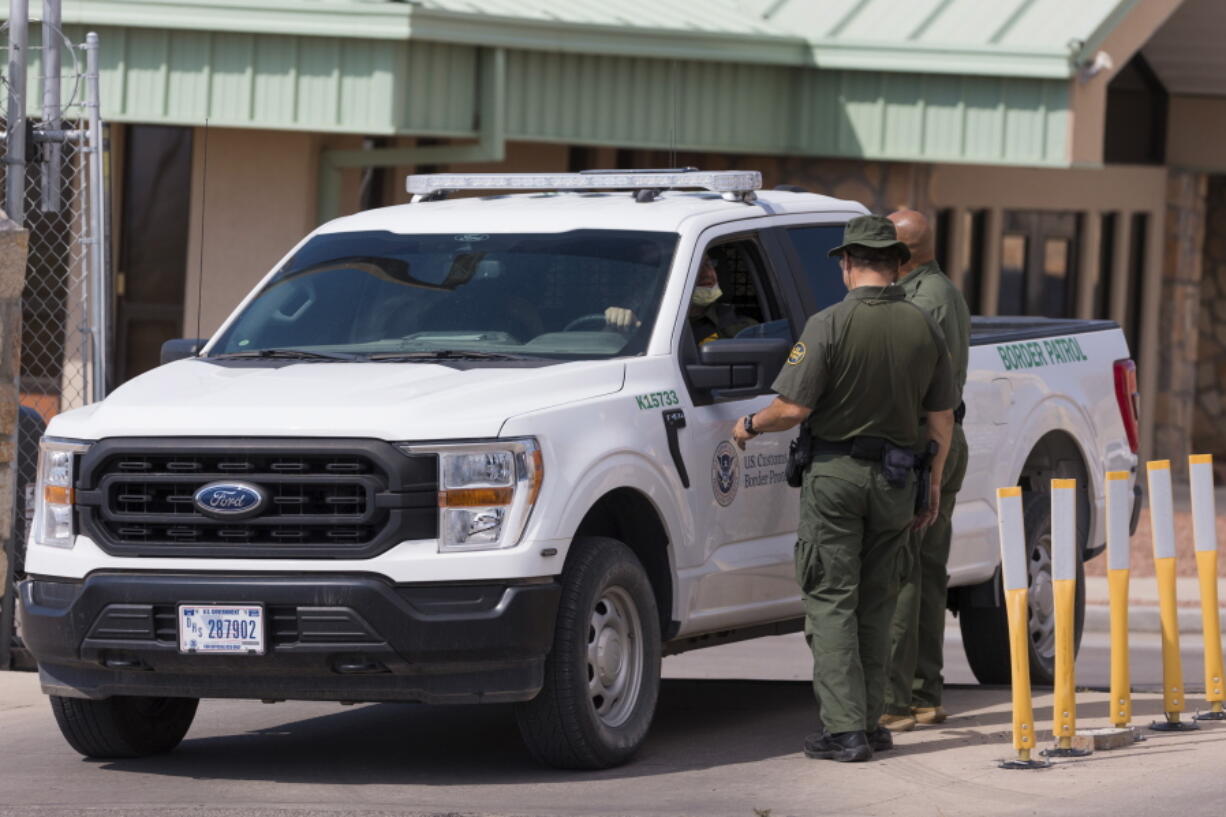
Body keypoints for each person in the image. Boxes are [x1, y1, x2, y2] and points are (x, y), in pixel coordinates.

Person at [731, 215, 956, 762]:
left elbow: (793, 408)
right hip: (900, 478)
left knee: (831, 601)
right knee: (877, 602)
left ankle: (845, 732)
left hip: (835, 478)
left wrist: (750, 426)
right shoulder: (923, 324)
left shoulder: (827, 324)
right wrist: (932, 486)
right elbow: (942, 420)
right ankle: (874, 722)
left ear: (849, 264)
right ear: (896, 264)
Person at [880, 209, 972, 732]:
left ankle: (895, 701)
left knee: (904, 571)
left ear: (901, 255)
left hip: (923, 442)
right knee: (928, 571)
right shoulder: (945, 291)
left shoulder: (921, 300)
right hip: (946, 438)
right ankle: (923, 694)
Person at [605, 252, 756, 343]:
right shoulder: (642, 322)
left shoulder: (741, 328)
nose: (707, 274)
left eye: (709, 264)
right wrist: (614, 328)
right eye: (694, 266)